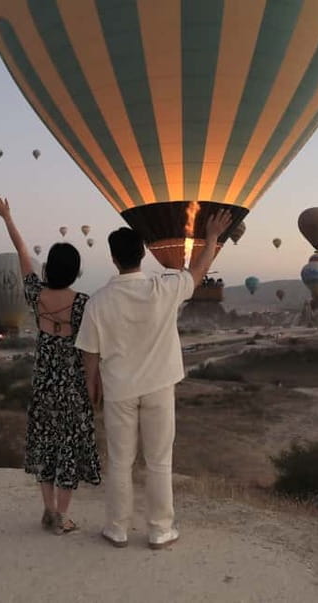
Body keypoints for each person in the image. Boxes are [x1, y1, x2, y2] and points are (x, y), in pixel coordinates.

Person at [76, 210, 233, 549]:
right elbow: (198, 273)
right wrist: (211, 238)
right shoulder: (164, 288)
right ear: (144, 253)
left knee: (120, 461)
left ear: (113, 258)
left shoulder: (98, 301)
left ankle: (117, 529)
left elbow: (89, 351)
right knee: (159, 461)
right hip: (160, 386)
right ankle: (160, 529)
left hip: (118, 389)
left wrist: (91, 383)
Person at [0, 194, 101, 535]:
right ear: (75, 270)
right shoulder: (83, 303)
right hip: (72, 386)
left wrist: (8, 218)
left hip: (44, 384)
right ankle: (62, 518)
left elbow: (23, 256)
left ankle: (48, 510)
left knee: (45, 445)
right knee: (68, 448)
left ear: (50, 268)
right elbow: (89, 352)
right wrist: (94, 387)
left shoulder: (36, 295)